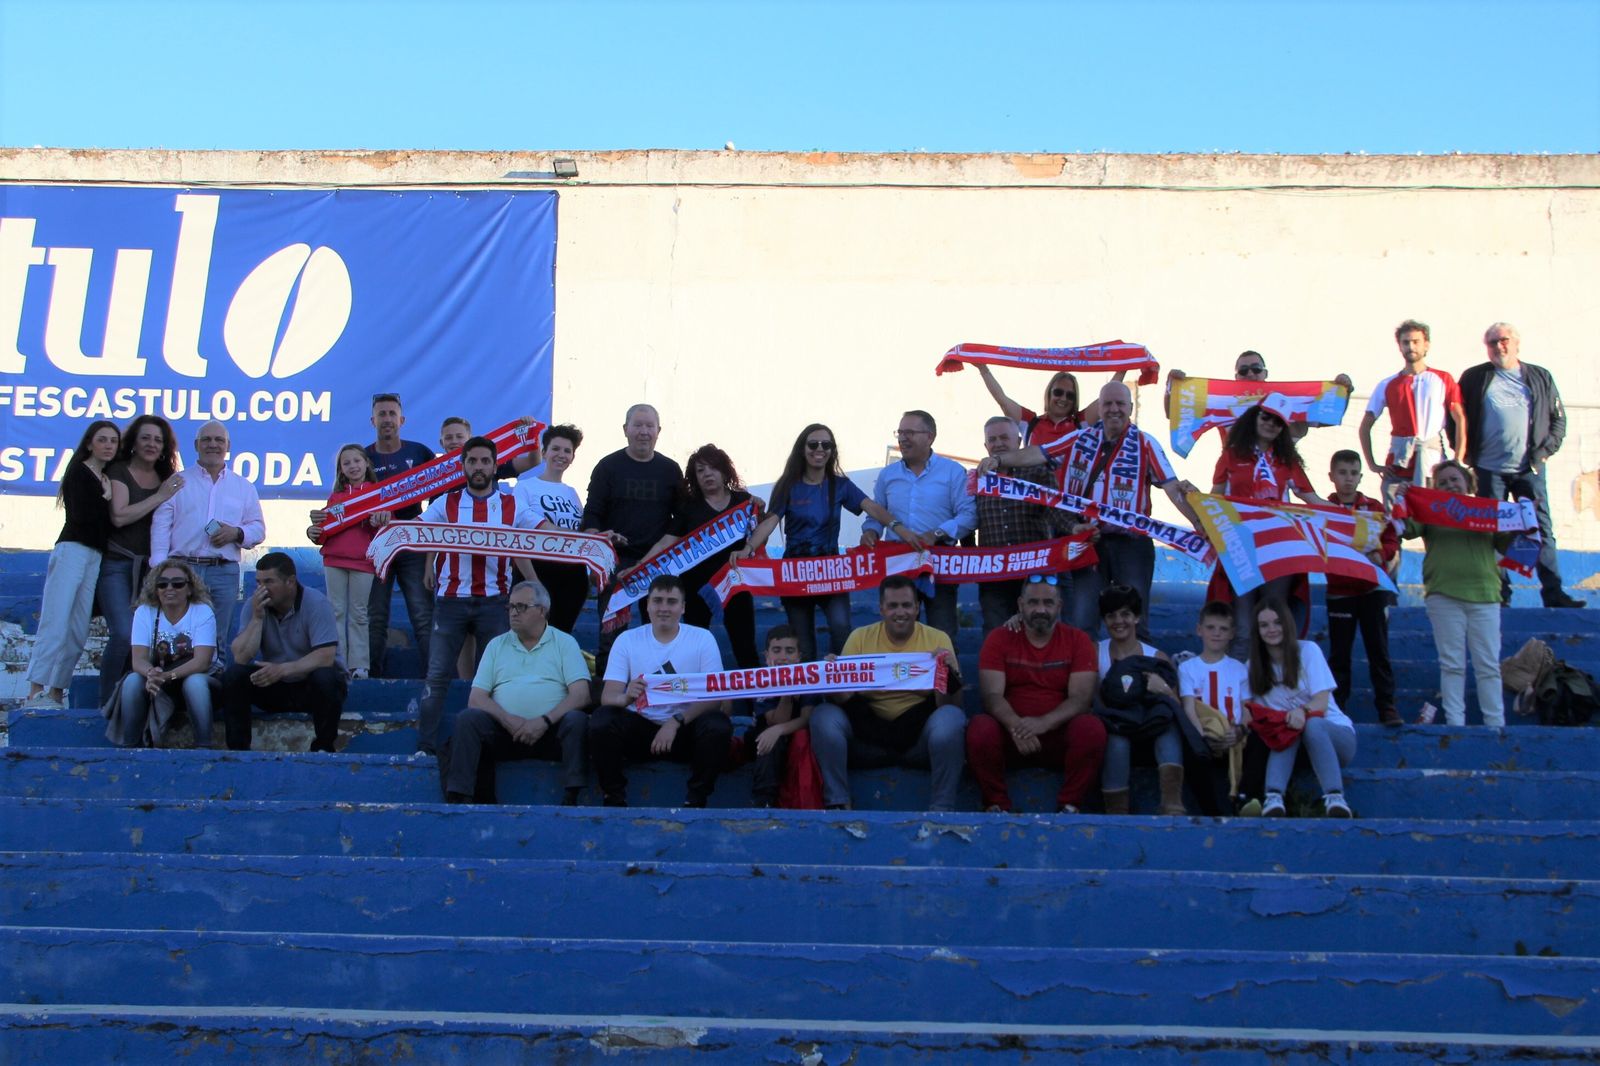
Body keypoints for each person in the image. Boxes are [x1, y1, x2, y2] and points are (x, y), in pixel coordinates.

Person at [981, 381, 1199, 637]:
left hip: (1131, 543)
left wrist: (1198, 523)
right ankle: (1087, 664)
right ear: (1100, 408)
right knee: (1083, 622)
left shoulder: (1146, 443)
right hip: (1087, 541)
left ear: (1130, 408)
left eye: (1120, 404)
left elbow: (1172, 488)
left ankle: (1137, 663)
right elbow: (1038, 454)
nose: (1114, 409)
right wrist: (998, 460)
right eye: (1108, 404)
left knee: (1135, 622)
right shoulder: (1080, 438)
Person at [737, 423, 908, 662]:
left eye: (826, 445)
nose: (820, 449)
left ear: (832, 450)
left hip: (831, 571)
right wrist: (748, 548)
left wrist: (900, 529)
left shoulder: (841, 485)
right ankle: (810, 688)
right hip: (795, 574)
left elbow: (871, 507)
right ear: (802, 449)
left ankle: (839, 683)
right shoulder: (788, 486)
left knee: (842, 631)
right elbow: (770, 522)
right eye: (813, 444)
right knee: (804, 645)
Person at [808, 575, 967, 812]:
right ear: (881, 609)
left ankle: (941, 810)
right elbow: (842, 700)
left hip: (919, 739)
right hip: (867, 738)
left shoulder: (938, 639)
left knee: (951, 719)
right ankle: (838, 802)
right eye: (893, 606)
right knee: (823, 716)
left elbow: (952, 706)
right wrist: (832, 678)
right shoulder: (860, 638)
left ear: (917, 608)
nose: (900, 612)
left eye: (906, 605)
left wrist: (947, 677)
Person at [414, 435, 530, 756]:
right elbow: (416, 529)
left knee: (493, 679)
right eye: (472, 461)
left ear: (495, 466)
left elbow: (545, 532)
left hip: (495, 602)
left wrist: (587, 541)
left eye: (485, 461)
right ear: (463, 465)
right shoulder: (445, 503)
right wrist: (386, 521)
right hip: (451, 601)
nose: (479, 467)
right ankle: (425, 746)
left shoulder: (512, 504)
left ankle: (487, 747)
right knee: (437, 676)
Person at [1457, 322, 1584, 608]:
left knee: (1540, 530)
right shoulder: (1474, 378)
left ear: (1516, 343)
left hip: (1529, 470)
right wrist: (1464, 453)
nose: (1498, 346)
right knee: (1491, 532)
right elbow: (1456, 416)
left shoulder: (1539, 376)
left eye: (1503, 340)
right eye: (1492, 342)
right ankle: (1499, 595)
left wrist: (1545, 453)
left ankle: (1553, 594)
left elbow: (1558, 420)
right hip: (1488, 470)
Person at [441, 579, 592, 805]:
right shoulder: (496, 645)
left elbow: (581, 694)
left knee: (576, 720)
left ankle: (573, 797)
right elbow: (476, 698)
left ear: (542, 610)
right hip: (505, 732)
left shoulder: (564, 643)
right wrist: (507, 719)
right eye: (510, 606)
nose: (513, 613)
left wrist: (544, 721)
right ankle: (460, 797)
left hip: (551, 733)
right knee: (468, 719)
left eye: (521, 607)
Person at [969, 574, 1106, 814]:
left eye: (1048, 603)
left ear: (1059, 606)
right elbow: (991, 696)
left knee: (1091, 729)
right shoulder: (999, 638)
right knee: (979, 729)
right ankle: (996, 805)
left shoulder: (1078, 640)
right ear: (1020, 604)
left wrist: (1043, 723)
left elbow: (1081, 699)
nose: (1040, 609)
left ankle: (1069, 806)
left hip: (1058, 736)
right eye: (1033, 602)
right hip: (1011, 736)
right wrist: (1016, 726)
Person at [591, 575, 732, 808]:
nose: (664, 608)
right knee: (602, 720)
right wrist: (626, 697)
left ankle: (696, 800)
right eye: (657, 601)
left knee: (718, 724)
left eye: (671, 602)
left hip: (685, 730)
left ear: (683, 607)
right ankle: (614, 797)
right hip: (640, 728)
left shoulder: (702, 638)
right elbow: (608, 697)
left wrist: (676, 722)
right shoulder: (627, 640)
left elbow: (715, 697)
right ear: (647, 605)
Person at [1402, 461, 1512, 728]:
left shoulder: (1487, 510)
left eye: (1454, 479)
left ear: (1467, 482)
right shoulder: (1430, 510)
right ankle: (1455, 724)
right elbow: (1405, 529)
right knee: (1452, 663)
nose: (1450, 485)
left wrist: (1520, 519)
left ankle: (1495, 724)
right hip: (1443, 594)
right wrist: (1403, 498)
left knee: (1488, 665)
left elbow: (1506, 544)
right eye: (1442, 482)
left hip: (1485, 595)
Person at [1207, 394, 1324, 646]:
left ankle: (1275, 671)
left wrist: (1351, 515)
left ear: (1283, 428)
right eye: (1266, 417)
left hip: (1277, 550)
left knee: (1273, 622)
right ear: (1255, 417)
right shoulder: (1230, 456)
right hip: (1240, 548)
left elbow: (1312, 499)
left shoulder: (1287, 461)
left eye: (1278, 421)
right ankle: (1242, 672)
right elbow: (1215, 499)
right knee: (1243, 625)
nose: (1270, 424)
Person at [149, 420, 266, 665]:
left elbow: (258, 528)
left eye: (219, 440)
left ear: (228, 446)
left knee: (216, 639)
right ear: (196, 445)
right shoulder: (177, 482)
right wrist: (160, 569)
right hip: (182, 570)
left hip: (223, 572)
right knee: (178, 637)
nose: (213, 444)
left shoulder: (243, 487)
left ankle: (213, 687)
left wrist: (236, 533)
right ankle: (179, 684)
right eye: (207, 439)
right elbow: (161, 526)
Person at [23, 420, 120, 709]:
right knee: (56, 621)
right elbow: (84, 517)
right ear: (90, 443)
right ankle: (35, 689)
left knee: (78, 630)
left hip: (94, 556)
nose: (108, 445)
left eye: (113, 441)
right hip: (72, 551)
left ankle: (56, 691)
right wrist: (107, 499)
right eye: (102, 439)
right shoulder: (80, 472)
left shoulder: (106, 478)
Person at [638, 444, 761, 669]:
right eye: (700, 470)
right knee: (694, 649)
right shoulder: (688, 507)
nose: (707, 474)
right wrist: (639, 565)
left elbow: (766, 525)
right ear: (694, 478)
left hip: (734, 584)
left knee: (745, 647)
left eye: (713, 468)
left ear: (725, 471)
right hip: (696, 587)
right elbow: (666, 542)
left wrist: (751, 541)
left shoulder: (744, 501)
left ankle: (755, 692)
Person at [861, 410, 976, 648]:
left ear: (930, 437)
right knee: (897, 635)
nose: (903, 438)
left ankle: (942, 673)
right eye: (900, 432)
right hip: (897, 564)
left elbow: (969, 515)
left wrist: (937, 533)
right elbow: (877, 514)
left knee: (942, 633)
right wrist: (870, 531)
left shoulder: (953, 472)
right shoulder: (888, 475)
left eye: (910, 433)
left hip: (939, 563)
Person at [582, 404, 682, 672]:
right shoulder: (607, 467)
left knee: (661, 634)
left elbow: (681, 520)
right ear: (625, 429)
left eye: (649, 426)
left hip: (658, 562)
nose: (643, 432)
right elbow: (591, 516)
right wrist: (599, 543)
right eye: (638, 425)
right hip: (615, 563)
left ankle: (659, 688)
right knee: (611, 637)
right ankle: (606, 691)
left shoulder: (670, 470)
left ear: (659, 431)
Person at [95, 415, 183, 706]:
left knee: (147, 640)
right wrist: (159, 496)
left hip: (153, 572)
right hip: (117, 565)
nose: (151, 444)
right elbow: (119, 516)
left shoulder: (167, 477)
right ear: (133, 441)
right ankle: (107, 702)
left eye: (158, 440)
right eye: (146, 437)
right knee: (123, 633)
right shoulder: (119, 470)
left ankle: (132, 701)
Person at [222, 552, 347, 753]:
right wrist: (257, 618)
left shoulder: (316, 602)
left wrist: (282, 670)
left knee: (326, 676)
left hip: (311, 687)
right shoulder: (254, 605)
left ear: (290, 582)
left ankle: (323, 748)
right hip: (275, 686)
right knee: (234, 676)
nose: (262, 589)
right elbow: (241, 657)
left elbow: (325, 656)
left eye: (269, 582)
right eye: (258, 582)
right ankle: (238, 750)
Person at [1245, 599, 1357, 818]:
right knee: (1286, 726)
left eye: (1278, 622)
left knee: (1310, 723)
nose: (1272, 629)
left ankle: (1335, 797)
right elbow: (1247, 709)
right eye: (1264, 625)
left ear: (1288, 623)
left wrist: (1301, 711)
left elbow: (1321, 702)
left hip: (1334, 739)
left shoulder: (1308, 651)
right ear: (1257, 631)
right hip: (1293, 746)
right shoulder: (1253, 667)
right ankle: (1273, 798)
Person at [975, 417, 1080, 633]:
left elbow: (1055, 510)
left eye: (1004, 438)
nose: (998, 443)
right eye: (992, 440)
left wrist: (1074, 529)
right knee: (996, 634)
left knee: (1042, 632)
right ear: (985, 445)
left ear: (1019, 441)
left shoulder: (1037, 471)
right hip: (993, 576)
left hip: (1034, 573)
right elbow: (968, 520)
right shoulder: (977, 479)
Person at [1092, 584, 1185, 815]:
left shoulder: (1157, 657)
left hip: (1150, 729)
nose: (1118, 621)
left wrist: (1163, 689)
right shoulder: (1095, 652)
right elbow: (1090, 700)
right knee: (1117, 741)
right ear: (1104, 620)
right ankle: (1116, 812)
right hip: (1116, 728)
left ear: (1137, 618)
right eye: (1111, 615)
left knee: (1168, 729)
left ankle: (1172, 805)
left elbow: (1178, 708)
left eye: (1125, 614)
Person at [1325, 449, 1400, 725]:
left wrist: (1382, 553)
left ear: (1360, 477)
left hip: (1372, 589)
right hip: (1339, 591)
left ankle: (1387, 706)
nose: (1348, 478)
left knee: (1378, 650)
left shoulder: (1374, 507)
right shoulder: (1322, 509)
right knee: (1339, 654)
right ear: (1331, 476)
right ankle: (1338, 708)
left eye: (1353, 473)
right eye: (1342, 473)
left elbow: (1390, 538)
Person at [364, 392, 434, 678]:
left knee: (423, 615)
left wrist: (427, 526)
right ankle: (371, 679)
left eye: (392, 414)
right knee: (375, 617)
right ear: (373, 420)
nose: (387, 419)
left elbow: (440, 494)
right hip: (376, 545)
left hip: (412, 545)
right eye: (381, 414)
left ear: (402, 420)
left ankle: (435, 678)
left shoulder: (420, 453)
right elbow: (350, 498)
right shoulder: (363, 457)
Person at [112, 561, 216, 748]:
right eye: (162, 584)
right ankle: (130, 748)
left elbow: (202, 662)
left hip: (198, 678)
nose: (169, 589)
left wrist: (168, 676)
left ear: (189, 589)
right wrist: (151, 673)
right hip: (160, 678)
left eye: (178, 584)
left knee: (195, 683)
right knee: (133, 681)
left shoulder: (202, 611)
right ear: (156, 589)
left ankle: (204, 746)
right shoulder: (145, 612)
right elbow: (138, 660)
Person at [1177, 602, 1268, 815]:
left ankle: (1245, 798)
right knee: (1190, 750)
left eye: (1223, 629)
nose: (1216, 633)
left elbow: (1247, 709)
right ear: (1199, 630)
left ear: (1232, 634)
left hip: (1234, 737)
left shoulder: (1239, 669)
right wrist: (1202, 737)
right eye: (1210, 627)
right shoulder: (1187, 668)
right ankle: (1211, 811)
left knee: (1260, 740)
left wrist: (1239, 730)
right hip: (1204, 735)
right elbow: (1189, 708)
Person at [1359, 319, 1466, 496]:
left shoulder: (1442, 378)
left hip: (1433, 462)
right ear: (1400, 346)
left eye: (1416, 342)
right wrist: (1373, 465)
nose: (1411, 347)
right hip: (1398, 465)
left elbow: (1460, 419)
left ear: (1426, 345)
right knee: (1396, 511)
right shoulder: (1387, 384)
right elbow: (1365, 426)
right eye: (1406, 342)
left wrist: (1458, 460)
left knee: (1433, 509)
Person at [309, 444, 383, 680]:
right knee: (335, 611)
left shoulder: (378, 493)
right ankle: (338, 662)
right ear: (340, 469)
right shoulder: (335, 497)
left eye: (357, 461)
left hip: (364, 562)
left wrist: (381, 520)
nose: (353, 466)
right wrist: (313, 529)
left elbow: (385, 528)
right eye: (346, 463)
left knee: (359, 613)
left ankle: (360, 665)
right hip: (334, 560)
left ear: (367, 464)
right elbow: (323, 530)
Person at [1169, 350, 1352, 443]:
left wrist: (1345, 391)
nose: (1250, 374)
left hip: (1276, 481)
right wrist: (1172, 387)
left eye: (1256, 369)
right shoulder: (1222, 400)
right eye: (1243, 370)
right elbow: (1174, 412)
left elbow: (1328, 418)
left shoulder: (1285, 400)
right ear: (1236, 377)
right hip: (1235, 480)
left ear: (1265, 373)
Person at [512, 424, 589, 632]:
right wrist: (533, 581)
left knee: (560, 637)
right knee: (530, 636)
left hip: (572, 576)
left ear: (572, 457)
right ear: (544, 452)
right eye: (555, 449)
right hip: (536, 571)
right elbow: (517, 535)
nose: (561, 455)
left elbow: (580, 534)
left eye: (567, 451)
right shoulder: (525, 486)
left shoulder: (572, 493)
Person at [748, 624, 810, 808]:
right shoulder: (759, 681)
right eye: (776, 651)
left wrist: (779, 730)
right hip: (763, 738)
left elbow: (807, 718)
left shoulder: (811, 677)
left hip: (794, 736)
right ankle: (763, 802)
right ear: (766, 656)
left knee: (801, 737)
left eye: (790, 651)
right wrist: (787, 692)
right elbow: (775, 720)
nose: (783, 657)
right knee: (769, 741)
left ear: (799, 657)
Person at [973, 365, 1108, 448]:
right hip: (1033, 487)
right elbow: (1002, 400)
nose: (1063, 398)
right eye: (1058, 392)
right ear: (1049, 393)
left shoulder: (1080, 423)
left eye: (1070, 395)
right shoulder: (1031, 422)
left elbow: (1108, 395)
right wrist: (983, 369)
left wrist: (1120, 363)